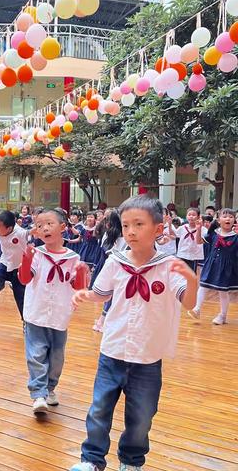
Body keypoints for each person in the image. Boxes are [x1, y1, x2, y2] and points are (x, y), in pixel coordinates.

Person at [69, 195, 198, 471]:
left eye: (139, 224)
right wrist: (85, 294)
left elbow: (187, 302)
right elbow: (102, 293)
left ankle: (131, 461)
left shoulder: (167, 265)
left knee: (141, 416)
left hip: (147, 357)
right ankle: (91, 459)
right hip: (112, 351)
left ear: (158, 229)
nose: (130, 231)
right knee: (99, 409)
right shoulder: (115, 261)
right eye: (126, 225)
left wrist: (191, 280)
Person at [18, 208, 87, 414]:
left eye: (49, 224)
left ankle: (50, 388)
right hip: (36, 313)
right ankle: (38, 393)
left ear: (63, 228)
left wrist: (82, 273)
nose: (44, 228)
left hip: (60, 314)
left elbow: (78, 287)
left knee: (57, 358)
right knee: (36, 354)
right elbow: (24, 279)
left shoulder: (73, 257)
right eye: (39, 226)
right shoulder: (37, 254)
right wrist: (27, 260)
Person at [190, 208, 238, 325]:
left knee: (223, 292)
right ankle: (197, 309)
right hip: (211, 264)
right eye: (225, 216)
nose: (228, 219)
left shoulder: (236, 236)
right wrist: (199, 228)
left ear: (234, 220)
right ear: (218, 220)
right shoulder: (213, 233)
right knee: (203, 285)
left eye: (231, 217)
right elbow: (199, 242)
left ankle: (222, 315)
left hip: (227, 267)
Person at [0, 209, 28, 320]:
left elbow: (31, 232)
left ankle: (26, 322)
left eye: (0, 227)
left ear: (9, 228)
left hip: (19, 267)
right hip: (5, 262)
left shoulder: (20, 233)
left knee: (20, 297)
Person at [171, 207, 205, 272]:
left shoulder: (203, 229)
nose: (191, 217)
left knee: (191, 273)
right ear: (186, 216)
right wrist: (170, 224)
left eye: (193, 215)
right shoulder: (183, 227)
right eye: (189, 215)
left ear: (198, 217)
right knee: (180, 273)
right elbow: (174, 234)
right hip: (182, 254)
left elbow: (200, 241)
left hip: (194, 256)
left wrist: (198, 229)